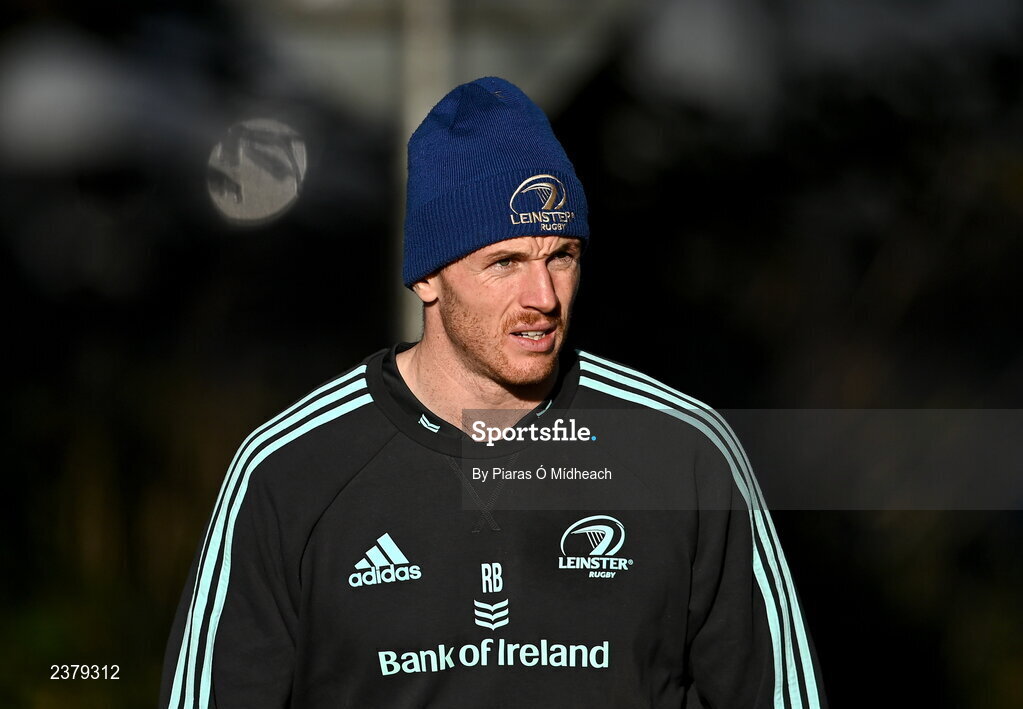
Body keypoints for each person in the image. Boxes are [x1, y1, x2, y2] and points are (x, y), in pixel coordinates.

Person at [159, 76, 827, 709]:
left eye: (560, 256)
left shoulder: (683, 451)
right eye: (504, 262)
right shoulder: (288, 469)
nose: (541, 297)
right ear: (427, 277)